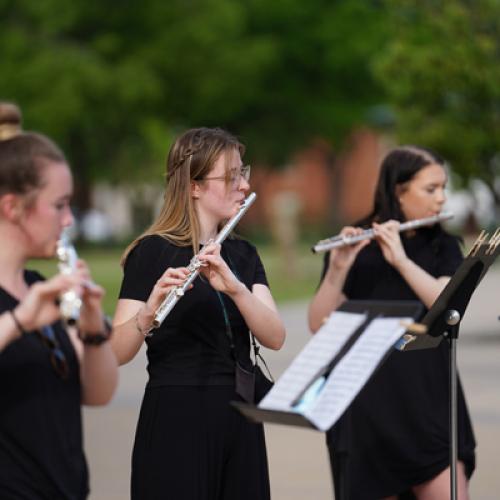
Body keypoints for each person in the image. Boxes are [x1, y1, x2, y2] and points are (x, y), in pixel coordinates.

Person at [111, 127, 286, 500]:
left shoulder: (242, 255)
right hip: (177, 417)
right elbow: (117, 352)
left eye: (244, 172)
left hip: (239, 416)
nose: (244, 184)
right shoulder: (151, 251)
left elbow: (275, 336)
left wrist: (236, 288)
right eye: (232, 176)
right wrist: (149, 311)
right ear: (194, 186)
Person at [308, 146, 476, 500]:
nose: (441, 199)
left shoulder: (443, 246)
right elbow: (318, 324)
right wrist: (338, 269)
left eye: (443, 188)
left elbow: (445, 305)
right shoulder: (356, 243)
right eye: (430, 189)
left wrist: (400, 259)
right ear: (398, 191)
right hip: (367, 409)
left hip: (430, 404)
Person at [0, 102, 118, 499]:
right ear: (13, 207)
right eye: (59, 205)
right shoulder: (26, 306)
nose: (68, 220)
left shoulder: (37, 286)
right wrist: (18, 322)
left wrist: (92, 329)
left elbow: (97, 394)